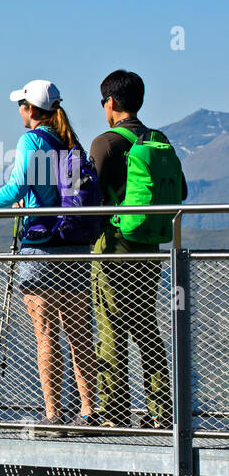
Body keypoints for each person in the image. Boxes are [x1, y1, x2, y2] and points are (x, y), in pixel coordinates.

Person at [0, 81, 97, 429]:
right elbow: (60, 194)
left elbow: (18, 187)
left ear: (31, 109)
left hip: (41, 248)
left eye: (21, 104)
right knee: (79, 335)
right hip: (74, 246)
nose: (19, 110)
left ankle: (53, 416)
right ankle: (89, 412)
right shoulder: (69, 142)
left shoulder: (31, 140)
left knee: (46, 335)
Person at [88, 70, 188, 429]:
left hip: (114, 244)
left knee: (111, 324)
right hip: (151, 243)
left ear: (110, 102)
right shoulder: (158, 140)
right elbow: (183, 192)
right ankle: (162, 412)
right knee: (146, 324)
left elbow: (87, 197)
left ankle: (112, 411)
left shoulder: (106, 142)